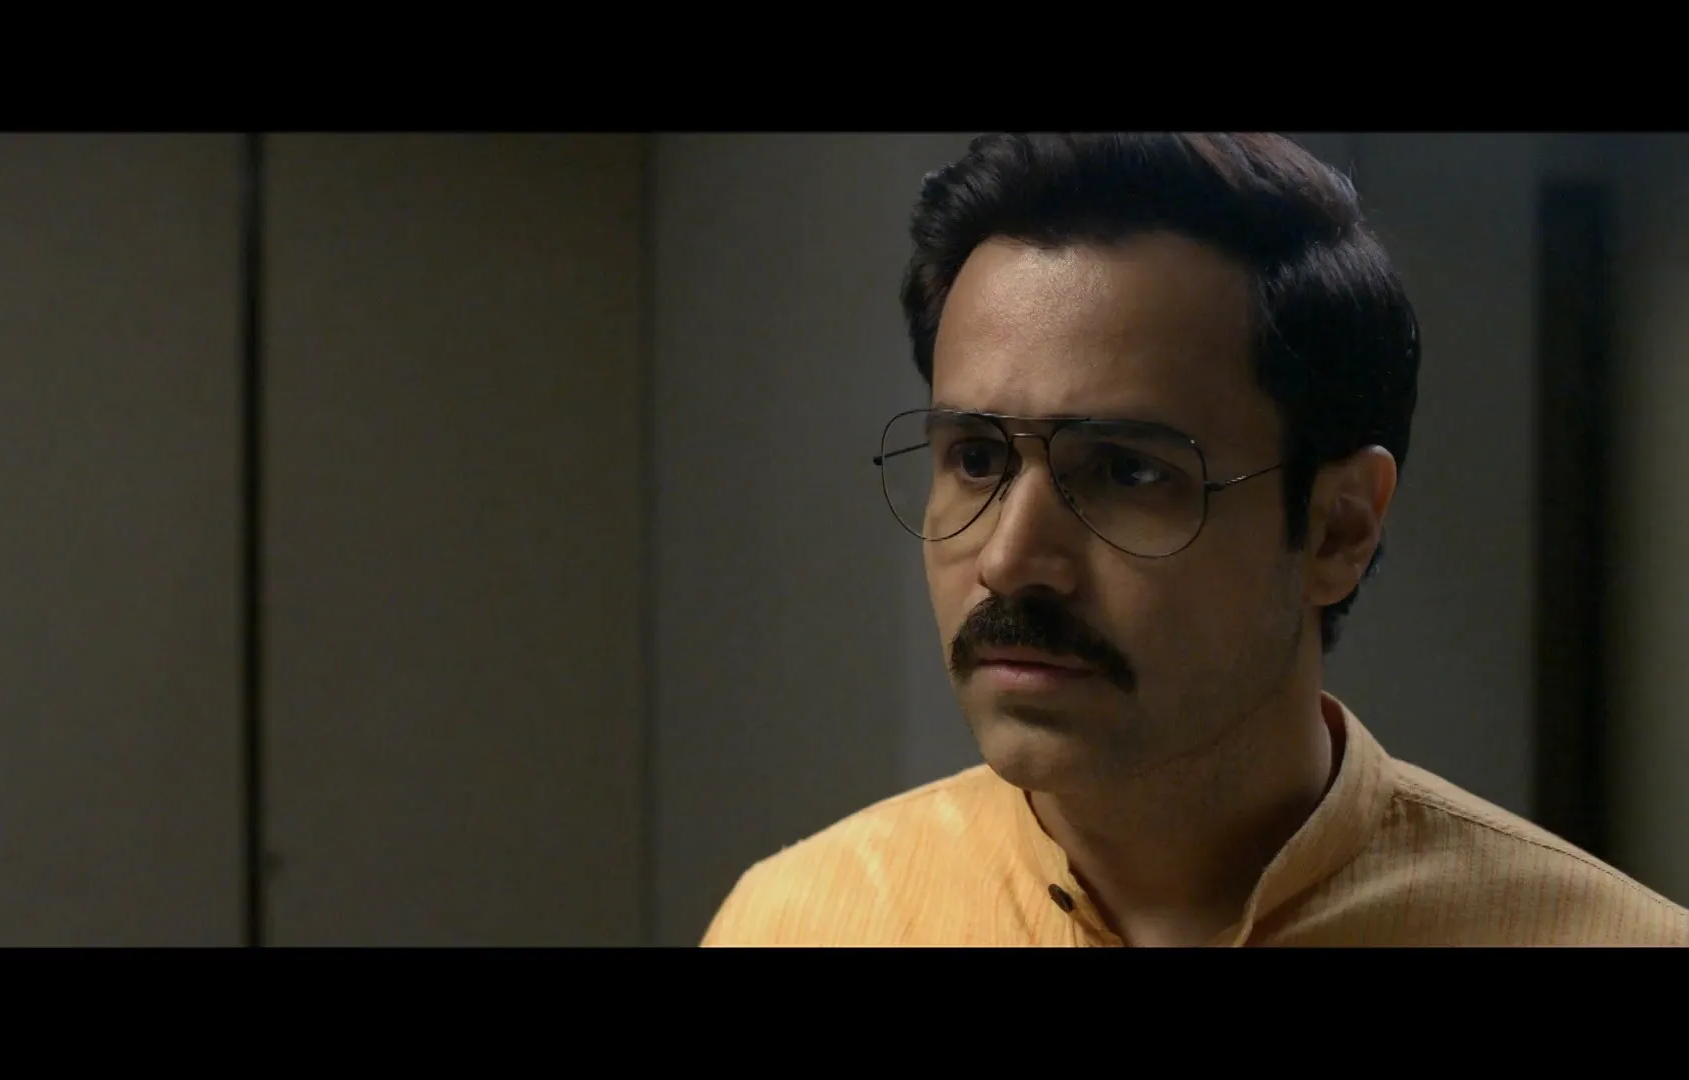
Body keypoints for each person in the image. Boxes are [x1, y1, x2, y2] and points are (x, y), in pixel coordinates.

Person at [701, 132, 1689, 947]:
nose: (1008, 560)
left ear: (1339, 528)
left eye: (1128, 471)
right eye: (977, 458)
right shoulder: (800, 921)